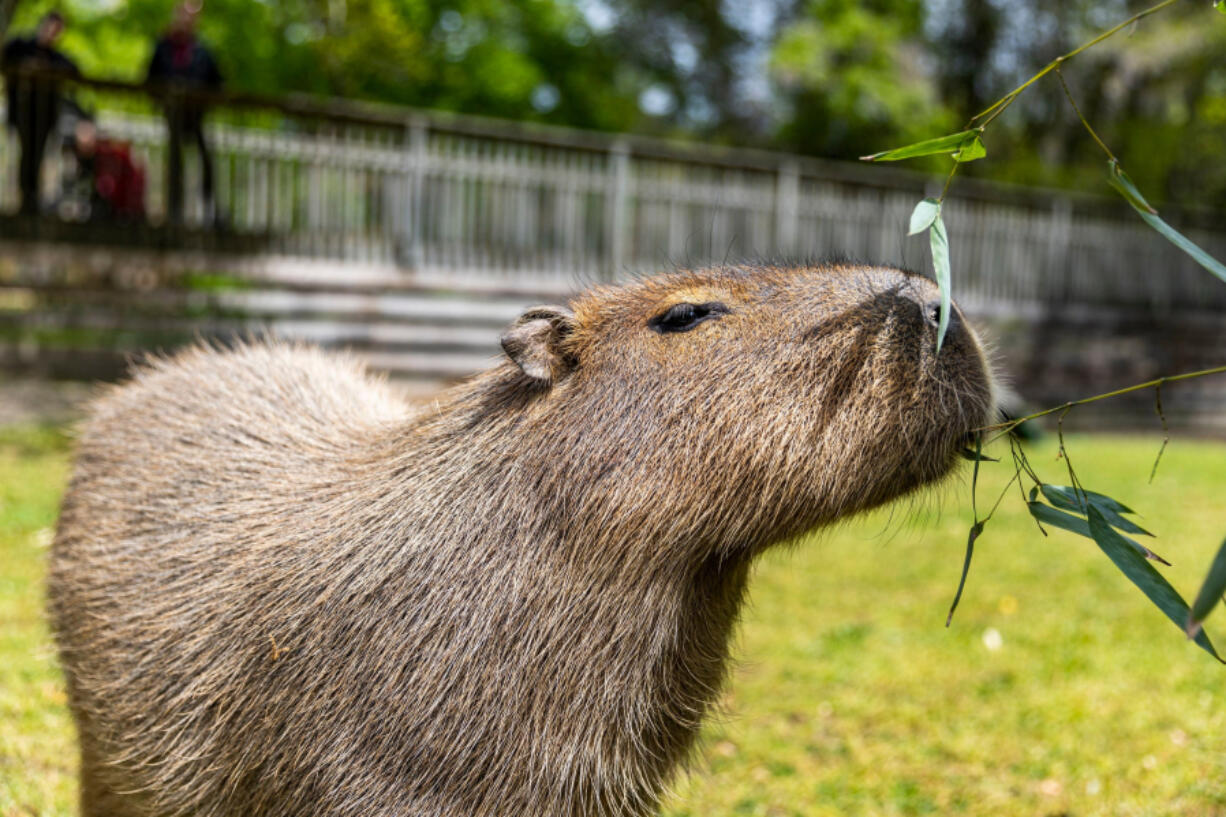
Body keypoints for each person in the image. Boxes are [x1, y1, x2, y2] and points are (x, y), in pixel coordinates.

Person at [145, 1, 222, 225]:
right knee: (175, 163)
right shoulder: (163, 47)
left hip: (197, 115)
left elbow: (217, 83)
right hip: (173, 115)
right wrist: (166, 97)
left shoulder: (203, 51)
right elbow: (150, 80)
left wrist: (201, 99)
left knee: (206, 161)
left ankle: (209, 212)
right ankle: (174, 213)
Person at [2, 11, 79, 215]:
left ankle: (32, 198)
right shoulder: (21, 47)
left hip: (44, 117)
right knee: (25, 154)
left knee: (37, 156)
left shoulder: (56, 58)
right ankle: (23, 197)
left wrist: (47, 69)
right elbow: (6, 56)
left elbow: (75, 70)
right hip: (22, 113)